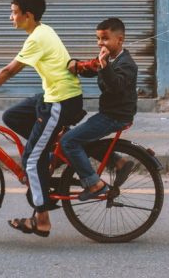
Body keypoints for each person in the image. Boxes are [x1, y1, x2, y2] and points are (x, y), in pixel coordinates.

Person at [0, 0, 83, 238]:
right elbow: (10, 69)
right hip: (55, 96)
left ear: (28, 15)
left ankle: (42, 219)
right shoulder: (41, 31)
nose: (11, 17)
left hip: (60, 100)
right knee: (12, 116)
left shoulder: (37, 38)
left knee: (30, 160)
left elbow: (8, 71)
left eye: (14, 12)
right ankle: (47, 150)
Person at [63, 17, 137, 200]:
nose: (99, 43)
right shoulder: (107, 59)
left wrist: (104, 65)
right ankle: (119, 162)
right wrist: (77, 65)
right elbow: (90, 68)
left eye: (104, 39)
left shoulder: (127, 64)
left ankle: (93, 183)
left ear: (119, 40)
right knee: (83, 137)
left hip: (115, 116)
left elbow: (115, 85)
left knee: (68, 141)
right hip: (109, 113)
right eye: (98, 39)